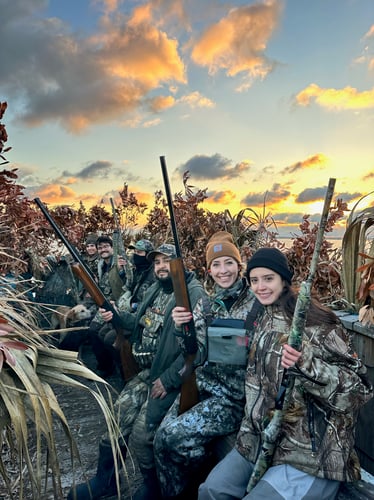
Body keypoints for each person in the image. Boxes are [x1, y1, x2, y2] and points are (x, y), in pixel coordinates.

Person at [198, 247, 373, 500]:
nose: (260, 287)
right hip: (259, 441)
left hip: (312, 455)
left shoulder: (316, 323)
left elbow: (360, 391)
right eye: (254, 280)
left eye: (268, 278)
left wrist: (309, 367)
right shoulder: (259, 318)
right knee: (211, 490)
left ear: (283, 280)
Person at [67, 243, 207, 500]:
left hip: (169, 379)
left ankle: (153, 488)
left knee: (143, 436)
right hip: (146, 373)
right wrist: (115, 316)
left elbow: (197, 348)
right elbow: (137, 325)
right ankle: (105, 481)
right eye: (157, 262)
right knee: (115, 418)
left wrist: (168, 379)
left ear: (180, 263)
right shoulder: (155, 289)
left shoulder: (194, 294)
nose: (161, 266)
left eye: (167, 261)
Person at [153, 231, 261, 499]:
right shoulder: (207, 303)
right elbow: (195, 352)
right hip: (205, 387)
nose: (223, 271)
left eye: (228, 263)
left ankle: (191, 488)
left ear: (239, 266)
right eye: (216, 264)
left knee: (174, 439)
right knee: (160, 438)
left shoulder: (257, 304)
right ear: (209, 269)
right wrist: (182, 329)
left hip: (235, 400)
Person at [87, 235, 133, 377]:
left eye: (106, 246)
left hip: (121, 306)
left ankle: (123, 369)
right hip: (106, 304)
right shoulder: (101, 265)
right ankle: (105, 365)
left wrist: (121, 269)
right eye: (100, 248)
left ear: (112, 248)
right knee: (93, 330)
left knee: (109, 337)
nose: (103, 250)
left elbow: (128, 279)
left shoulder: (119, 262)